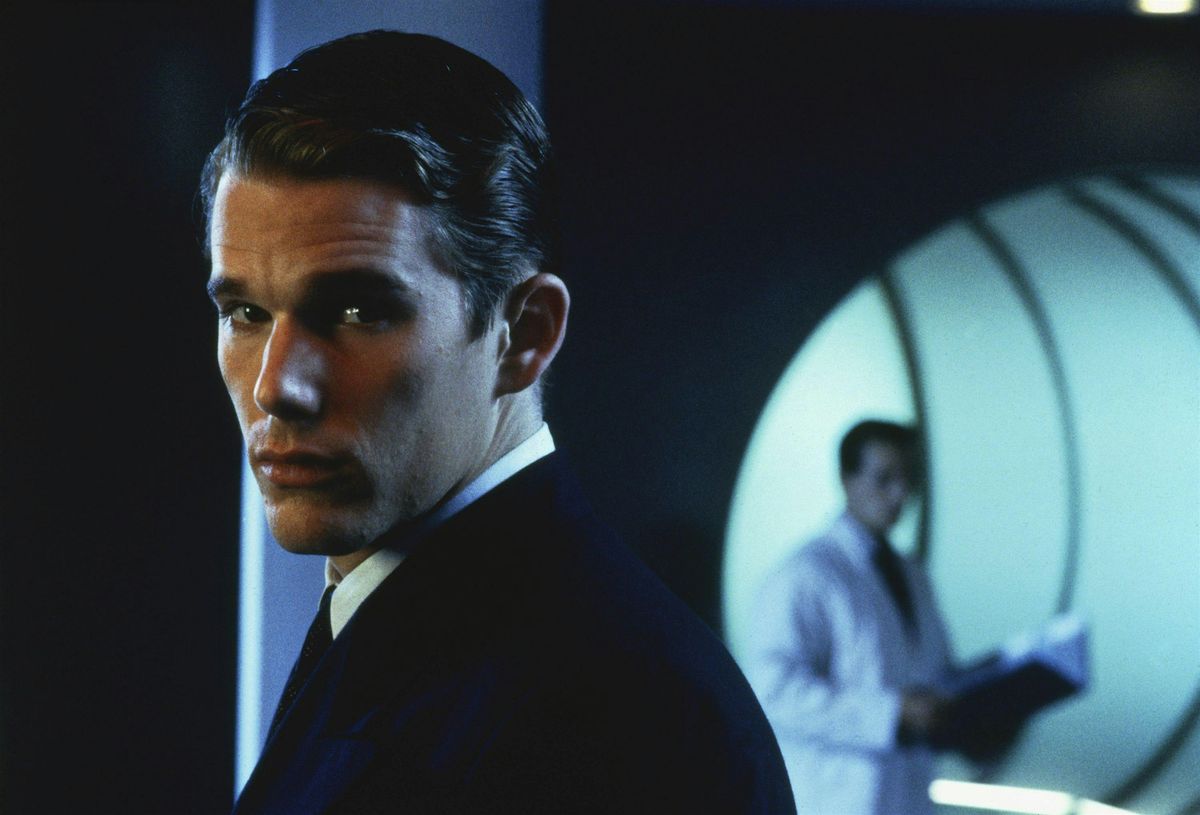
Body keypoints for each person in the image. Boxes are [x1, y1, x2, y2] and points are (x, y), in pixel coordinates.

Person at [202, 30, 795, 815]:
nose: (277, 385)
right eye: (245, 312)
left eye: (355, 310)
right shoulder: (397, 619)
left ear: (525, 335)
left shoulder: (628, 723)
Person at [743, 420, 955, 815]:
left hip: (907, 796)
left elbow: (937, 669)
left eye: (907, 479)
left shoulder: (913, 576)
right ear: (847, 479)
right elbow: (774, 692)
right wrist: (890, 712)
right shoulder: (805, 574)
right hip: (838, 797)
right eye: (884, 479)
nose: (900, 494)